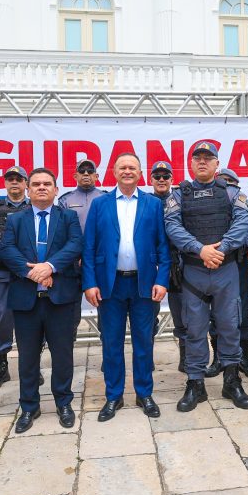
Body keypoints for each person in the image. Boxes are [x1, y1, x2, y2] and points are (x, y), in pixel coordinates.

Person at [164, 141, 248, 412]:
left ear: (217, 164)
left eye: (208, 158)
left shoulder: (232, 193)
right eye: (198, 158)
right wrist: (200, 249)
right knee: (194, 329)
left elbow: (243, 223)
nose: (202, 161)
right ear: (191, 164)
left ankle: (232, 381)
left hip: (225, 269)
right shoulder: (178, 195)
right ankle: (195, 384)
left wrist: (220, 249)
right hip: (194, 271)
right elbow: (172, 225)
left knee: (229, 326)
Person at [83, 153, 170, 421]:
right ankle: (114, 396)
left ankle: (144, 393)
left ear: (140, 173)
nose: (128, 171)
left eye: (132, 167)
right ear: (114, 172)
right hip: (110, 285)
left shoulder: (153, 204)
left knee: (144, 342)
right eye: (123, 167)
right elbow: (89, 247)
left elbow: (163, 246)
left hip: (144, 284)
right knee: (111, 343)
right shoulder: (100, 204)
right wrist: (90, 283)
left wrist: (162, 280)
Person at [0, 168, 84, 433]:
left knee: (62, 354)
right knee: (27, 357)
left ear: (56, 190)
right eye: (36, 184)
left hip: (61, 298)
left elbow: (75, 245)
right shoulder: (15, 219)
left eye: (47, 184)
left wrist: (49, 267)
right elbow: (7, 250)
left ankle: (63, 402)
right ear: (28, 189)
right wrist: (32, 272)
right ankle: (29, 406)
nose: (41, 187)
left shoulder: (68, 217)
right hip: (26, 299)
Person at [0, 165, 31, 388]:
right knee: (2, 319)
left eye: (18, 179)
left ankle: (30, 365)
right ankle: (1, 365)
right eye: (10, 179)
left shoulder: (34, 206)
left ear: (25, 183)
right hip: (3, 273)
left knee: (32, 321)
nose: (14, 182)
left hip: (30, 274)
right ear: (5, 183)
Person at [213, 168, 248, 379]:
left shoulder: (244, 202)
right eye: (221, 181)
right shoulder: (207, 202)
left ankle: (244, 358)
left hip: (239, 262)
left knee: (244, 310)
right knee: (216, 313)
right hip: (215, 263)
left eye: (229, 182)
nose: (225, 186)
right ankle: (218, 358)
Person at [58, 159, 105, 336]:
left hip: (99, 261)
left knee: (106, 311)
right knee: (70, 314)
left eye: (90, 171)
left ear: (96, 176)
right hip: (73, 263)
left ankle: (108, 350)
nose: (86, 174)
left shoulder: (106, 198)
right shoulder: (65, 200)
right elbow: (61, 233)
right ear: (75, 175)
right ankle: (67, 348)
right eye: (82, 171)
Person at [149, 161, 185, 365]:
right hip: (153, 263)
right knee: (148, 314)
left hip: (178, 261)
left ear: (172, 179)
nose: (161, 180)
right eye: (157, 176)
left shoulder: (181, 200)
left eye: (165, 176)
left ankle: (186, 359)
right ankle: (147, 359)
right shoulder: (145, 202)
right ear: (151, 179)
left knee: (183, 312)